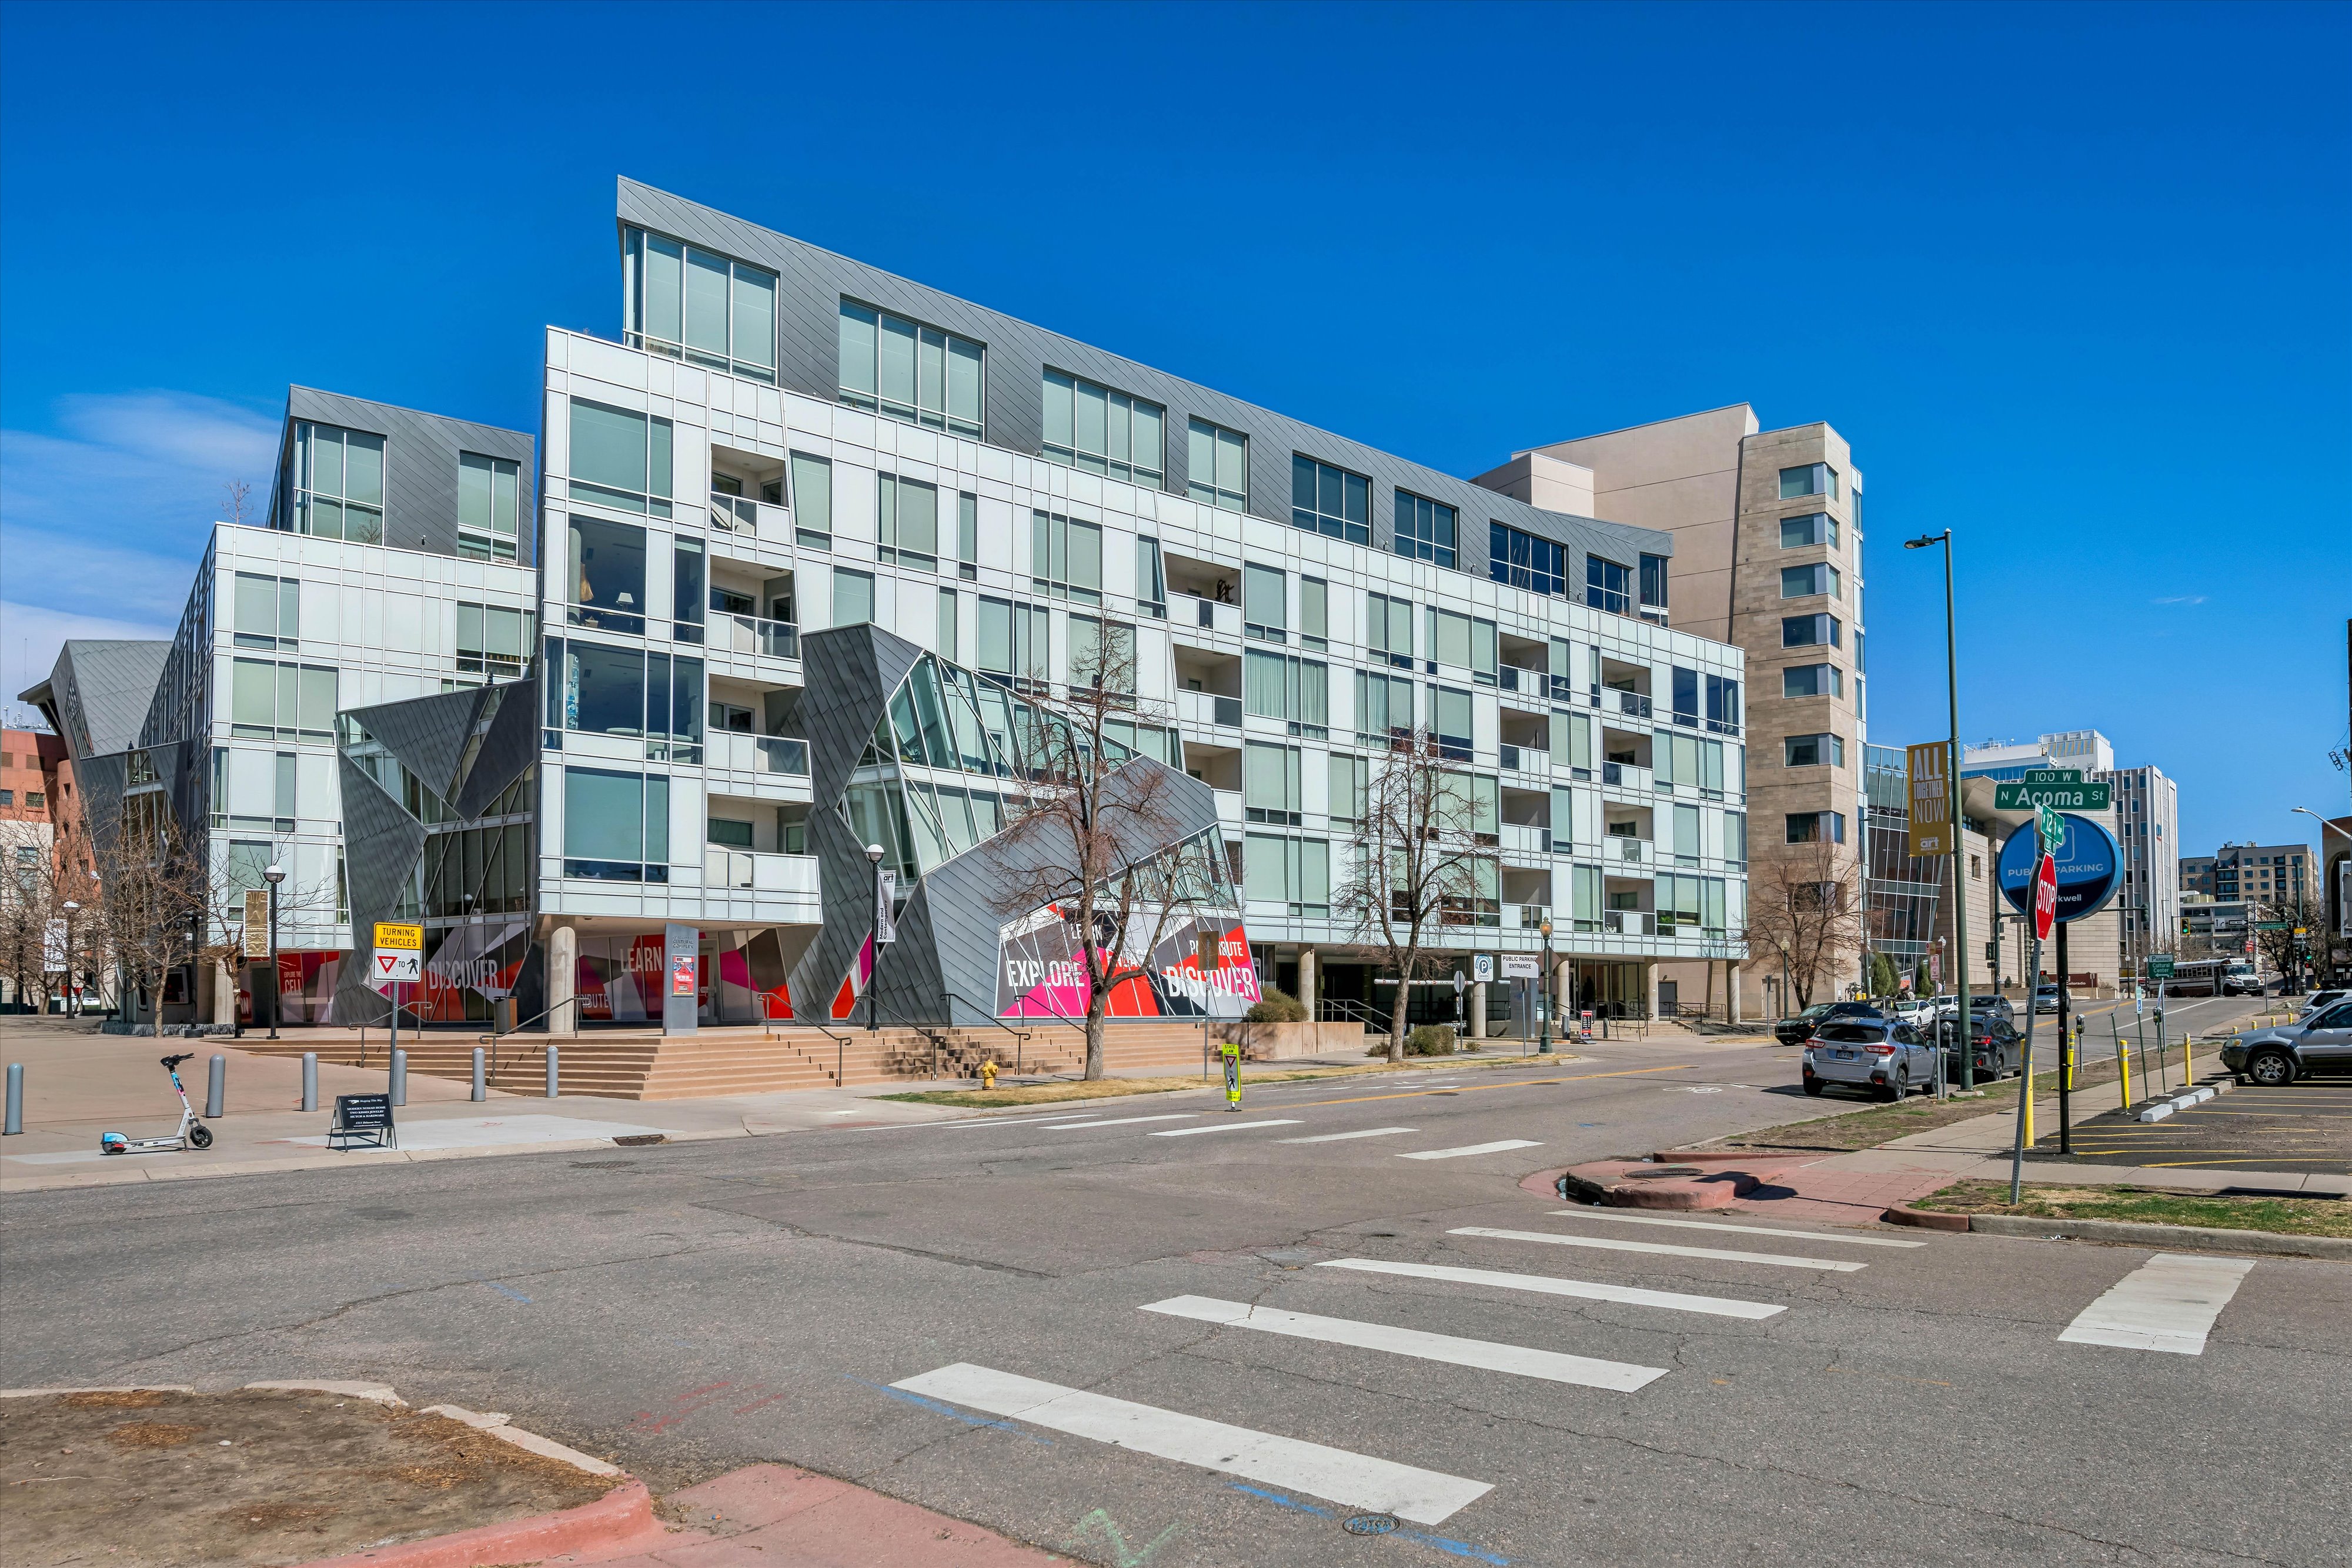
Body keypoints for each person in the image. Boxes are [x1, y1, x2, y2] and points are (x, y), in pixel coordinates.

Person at [1220, 1037, 1242, 1111]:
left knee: (1232, 1086)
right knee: (1232, 1086)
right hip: (1232, 1078)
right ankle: (1233, 1104)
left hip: (1233, 1079)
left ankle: (1233, 1105)